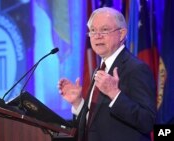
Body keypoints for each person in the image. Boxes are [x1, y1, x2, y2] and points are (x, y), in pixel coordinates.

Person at [58, 7, 156, 141]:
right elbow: (95, 123)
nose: (97, 36)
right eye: (93, 30)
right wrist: (78, 103)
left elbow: (147, 122)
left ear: (121, 34)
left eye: (104, 30)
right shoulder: (101, 68)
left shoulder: (136, 68)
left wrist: (115, 94)